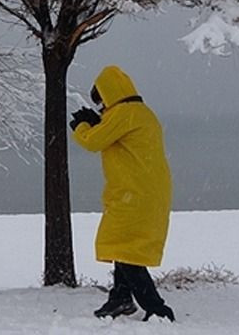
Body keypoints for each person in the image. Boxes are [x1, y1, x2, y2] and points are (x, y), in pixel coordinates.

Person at [70, 65, 175, 322]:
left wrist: (82, 125)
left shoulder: (124, 113)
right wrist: (100, 123)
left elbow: (92, 142)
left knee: (126, 250)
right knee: (124, 246)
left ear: (109, 94)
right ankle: (120, 299)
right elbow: (113, 136)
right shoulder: (140, 113)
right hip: (145, 192)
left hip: (135, 194)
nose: (101, 107)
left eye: (101, 102)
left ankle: (157, 308)